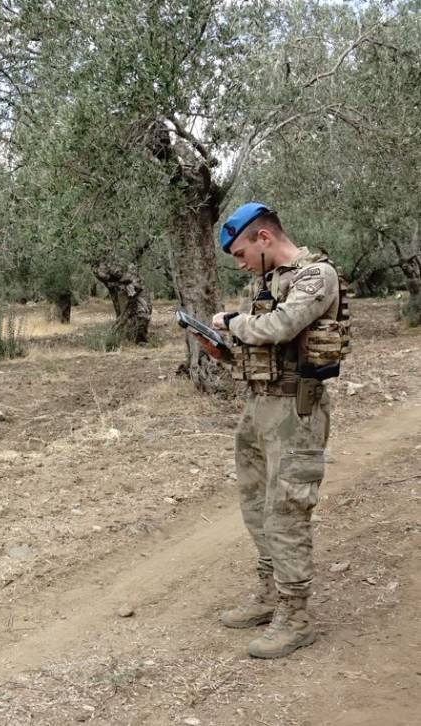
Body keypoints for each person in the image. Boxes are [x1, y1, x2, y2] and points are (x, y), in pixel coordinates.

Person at [209, 202, 350, 659]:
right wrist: (222, 346)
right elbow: (265, 345)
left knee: (287, 508)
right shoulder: (268, 282)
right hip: (261, 405)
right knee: (256, 503)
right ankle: (270, 593)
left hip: (297, 411)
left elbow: (282, 325)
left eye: (241, 252)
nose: (240, 262)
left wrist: (234, 322)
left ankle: (297, 614)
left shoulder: (316, 275)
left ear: (264, 238)